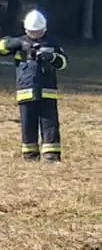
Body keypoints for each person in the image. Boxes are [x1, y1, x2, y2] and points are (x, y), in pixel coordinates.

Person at [4, 9, 67, 162]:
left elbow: (63, 63)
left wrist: (51, 57)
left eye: (38, 32)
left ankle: (51, 155)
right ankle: (30, 155)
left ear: (44, 29)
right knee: (27, 125)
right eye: (33, 32)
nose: (36, 34)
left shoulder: (52, 43)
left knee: (50, 125)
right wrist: (16, 43)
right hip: (25, 91)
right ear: (26, 29)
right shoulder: (19, 43)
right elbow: (2, 47)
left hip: (47, 92)